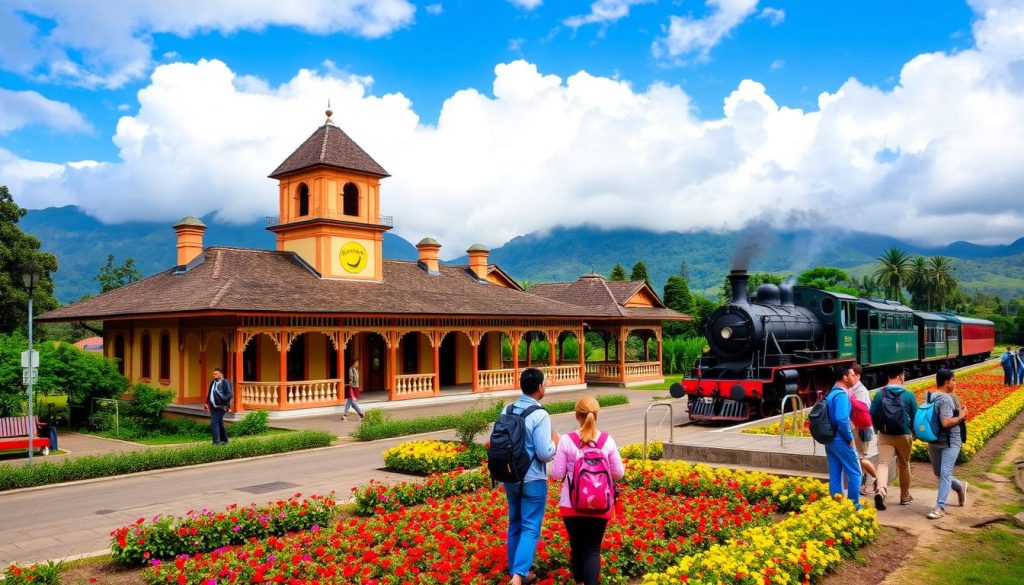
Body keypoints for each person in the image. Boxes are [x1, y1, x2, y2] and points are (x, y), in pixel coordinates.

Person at [550, 396, 625, 585]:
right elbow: (618, 474)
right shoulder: (607, 441)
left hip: (571, 504)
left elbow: (557, 473)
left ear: (577, 415)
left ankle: (580, 582)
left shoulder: (567, 441)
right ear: (597, 415)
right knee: (592, 549)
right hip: (600, 504)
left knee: (576, 547)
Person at [502, 368, 558, 585]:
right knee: (530, 526)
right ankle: (518, 576)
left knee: (514, 523)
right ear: (540, 388)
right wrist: (556, 444)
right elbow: (544, 453)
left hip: (509, 476)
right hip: (533, 478)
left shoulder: (506, 410)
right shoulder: (540, 414)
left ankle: (515, 570)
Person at [869, 365, 917, 510]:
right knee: (903, 464)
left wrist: (879, 428)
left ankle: (880, 491)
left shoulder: (880, 394)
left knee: (883, 464)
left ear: (888, 377)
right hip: (904, 434)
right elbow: (915, 417)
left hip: (885, 435)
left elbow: (872, 414)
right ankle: (904, 496)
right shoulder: (909, 395)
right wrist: (913, 434)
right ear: (901, 376)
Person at [927, 368, 969, 519]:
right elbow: (945, 422)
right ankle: (960, 486)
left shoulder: (930, 396)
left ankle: (940, 507)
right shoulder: (944, 398)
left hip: (945, 441)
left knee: (944, 473)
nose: (955, 383)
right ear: (946, 382)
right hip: (945, 440)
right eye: (953, 380)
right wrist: (962, 416)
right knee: (940, 473)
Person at [824, 363, 862, 508]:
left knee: (835, 473)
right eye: (852, 375)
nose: (855, 378)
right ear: (845, 377)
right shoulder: (841, 395)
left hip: (830, 439)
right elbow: (841, 418)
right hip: (841, 439)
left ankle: (837, 504)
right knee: (855, 472)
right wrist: (849, 438)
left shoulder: (831, 393)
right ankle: (854, 505)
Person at [846, 364, 878, 496]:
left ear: (858, 376)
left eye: (853, 375)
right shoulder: (854, 389)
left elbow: (860, 413)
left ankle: (878, 478)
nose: (850, 377)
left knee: (860, 458)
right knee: (859, 457)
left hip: (860, 429)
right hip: (857, 429)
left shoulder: (861, 391)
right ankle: (862, 485)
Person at [203, 367, 232, 445]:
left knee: (214, 423)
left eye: (215, 374)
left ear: (220, 374)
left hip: (221, 407)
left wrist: (223, 402)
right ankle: (225, 441)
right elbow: (210, 393)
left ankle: (216, 443)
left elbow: (229, 395)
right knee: (219, 423)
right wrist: (207, 403)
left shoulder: (225, 382)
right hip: (213, 406)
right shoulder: (213, 382)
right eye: (213, 374)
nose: (214, 375)